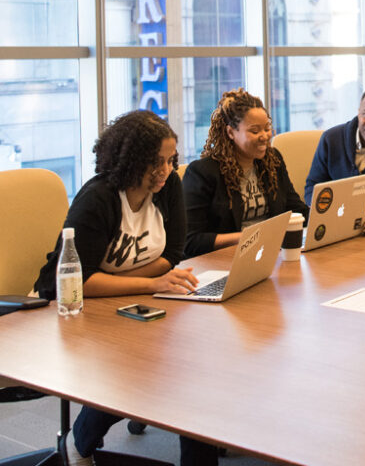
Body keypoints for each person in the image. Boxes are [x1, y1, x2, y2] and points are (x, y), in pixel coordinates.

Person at [33, 110, 217, 466]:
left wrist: (143, 285)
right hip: (72, 310)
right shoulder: (99, 198)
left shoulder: (168, 188)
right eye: (156, 163)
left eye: (170, 161)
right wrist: (149, 284)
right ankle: (79, 443)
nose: (165, 171)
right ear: (132, 161)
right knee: (149, 365)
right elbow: (78, 281)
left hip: (128, 299)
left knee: (194, 369)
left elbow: (173, 254)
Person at [182, 88, 309, 259]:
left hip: (269, 254)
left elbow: (295, 209)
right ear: (230, 132)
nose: (265, 136)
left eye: (267, 128)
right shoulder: (202, 173)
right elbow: (191, 240)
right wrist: (249, 237)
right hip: (225, 261)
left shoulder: (272, 160)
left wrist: (324, 221)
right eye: (255, 131)